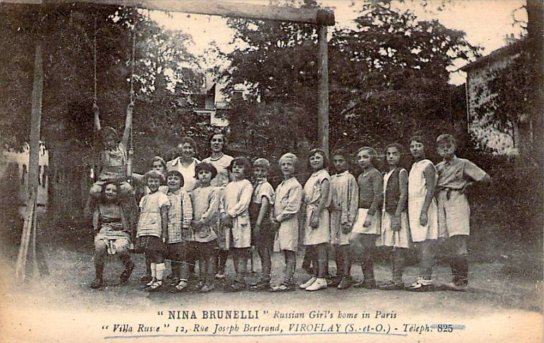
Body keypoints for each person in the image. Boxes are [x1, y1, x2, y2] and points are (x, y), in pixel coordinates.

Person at [435, 134, 490, 291]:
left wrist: (471, 185)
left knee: (459, 239)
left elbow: (486, 178)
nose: (445, 148)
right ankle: (455, 280)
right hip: (441, 201)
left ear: (454, 146)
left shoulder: (463, 163)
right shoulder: (437, 167)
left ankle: (462, 282)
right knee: (447, 241)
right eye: (441, 146)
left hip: (456, 199)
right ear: (438, 150)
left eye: (449, 145)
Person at [405, 136, 441, 292]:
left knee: (426, 243)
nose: (415, 148)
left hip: (424, 206)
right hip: (414, 206)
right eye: (412, 146)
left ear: (425, 147)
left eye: (418, 145)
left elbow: (431, 190)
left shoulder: (428, 165)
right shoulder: (414, 166)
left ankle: (426, 280)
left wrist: (424, 211)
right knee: (419, 244)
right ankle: (422, 278)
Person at [377, 143, 411, 290]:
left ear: (400, 156)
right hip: (387, 212)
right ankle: (394, 279)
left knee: (398, 246)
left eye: (394, 154)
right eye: (388, 154)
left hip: (397, 213)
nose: (391, 157)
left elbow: (403, 194)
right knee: (391, 247)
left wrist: (397, 215)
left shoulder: (401, 172)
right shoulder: (385, 174)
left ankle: (398, 280)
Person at [90, 182, 135, 289]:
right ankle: (98, 277)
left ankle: (129, 265)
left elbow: (129, 192)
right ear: (103, 191)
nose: (110, 192)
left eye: (114, 191)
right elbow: (92, 193)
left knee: (121, 250)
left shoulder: (123, 205)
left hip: (121, 231)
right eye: (108, 189)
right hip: (105, 231)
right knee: (99, 247)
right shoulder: (99, 204)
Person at [349, 147, 383, 289]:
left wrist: (370, 214)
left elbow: (378, 195)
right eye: (360, 158)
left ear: (372, 158)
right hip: (360, 212)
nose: (362, 160)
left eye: (365, 157)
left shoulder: (375, 174)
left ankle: (370, 279)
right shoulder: (361, 175)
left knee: (363, 244)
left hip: (370, 212)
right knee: (357, 243)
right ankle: (367, 278)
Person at [270, 153, 303, 292]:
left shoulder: (295, 185)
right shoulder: (281, 185)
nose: (286, 167)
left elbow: (292, 208)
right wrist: (273, 216)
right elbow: (275, 203)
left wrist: (278, 219)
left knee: (289, 251)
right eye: (283, 164)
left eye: (289, 164)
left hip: (288, 223)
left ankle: (288, 281)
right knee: (283, 250)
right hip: (280, 222)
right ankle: (285, 279)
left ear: (295, 167)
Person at [299, 148, 331, 292]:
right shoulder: (313, 176)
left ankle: (322, 278)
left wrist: (317, 214)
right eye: (312, 158)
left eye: (318, 158)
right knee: (312, 246)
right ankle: (316, 275)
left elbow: (324, 197)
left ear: (324, 160)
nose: (315, 160)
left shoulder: (324, 175)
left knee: (320, 246)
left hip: (319, 211)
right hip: (310, 211)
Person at [220, 157, 254, 292]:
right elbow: (222, 201)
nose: (236, 169)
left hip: (240, 222)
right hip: (228, 221)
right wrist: (223, 213)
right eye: (234, 166)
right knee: (233, 249)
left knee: (241, 250)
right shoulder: (229, 185)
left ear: (246, 169)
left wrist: (230, 214)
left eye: (240, 166)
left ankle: (240, 279)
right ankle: (236, 279)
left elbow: (243, 203)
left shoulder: (246, 184)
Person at [203, 132, 233, 278]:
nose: (216, 143)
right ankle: (212, 268)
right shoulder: (205, 161)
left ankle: (222, 268)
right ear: (210, 143)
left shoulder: (228, 160)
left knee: (223, 235)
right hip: (209, 199)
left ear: (223, 143)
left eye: (219, 141)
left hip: (224, 198)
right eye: (214, 140)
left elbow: (233, 181)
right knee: (211, 233)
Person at [89, 102, 134, 199]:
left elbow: (127, 129)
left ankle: (127, 210)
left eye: (110, 140)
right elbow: (98, 130)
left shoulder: (122, 147)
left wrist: (129, 111)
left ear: (115, 140)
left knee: (129, 190)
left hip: (120, 180)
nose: (108, 143)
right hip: (104, 180)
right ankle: (93, 210)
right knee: (93, 191)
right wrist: (96, 114)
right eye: (105, 141)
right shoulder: (104, 151)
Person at [329, 149, 359, 290]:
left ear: (347, 162)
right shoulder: (332, 178)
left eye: (341, 161)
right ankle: (339, 274)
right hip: (334, 215)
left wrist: (349, 220)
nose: (338, 164)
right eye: (335, 161)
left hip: (345, 215)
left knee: (345, 246)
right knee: (336, 246)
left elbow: (353, 200)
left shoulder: (350, 178)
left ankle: (347, 276)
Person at [136, 170, 170, 292]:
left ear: (160, 182)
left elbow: (164, 215)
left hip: (156, 229)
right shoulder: (144, 198)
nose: (153, 183)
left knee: (157, 254)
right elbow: (141, 215)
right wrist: (138, 232)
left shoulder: (162, 197)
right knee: (149, 254)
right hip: (145, 229)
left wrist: (164, 232)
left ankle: (159, 280)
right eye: (151, 181)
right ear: (146, 182)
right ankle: (153, 278)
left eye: (156, 181)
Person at [190, 162, 221, 292]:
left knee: (210, 256)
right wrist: (192, 221)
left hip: (208, 227)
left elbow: (212, 210)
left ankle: (210, 281)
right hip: (196, 228)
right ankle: (201, 280)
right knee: (201, 256)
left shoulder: (214, 191)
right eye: (201, 173)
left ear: (212, 175)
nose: (203, 175)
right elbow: (190, 207)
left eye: (206, 173)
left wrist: (202, 221)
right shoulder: (194, 192)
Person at [248, 158, 275, 291]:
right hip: (255, 219)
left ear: (267, 172)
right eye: (257, 170)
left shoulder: (266, 186)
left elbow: (264, 204)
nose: (259, 173)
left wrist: (258, 224)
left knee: (264, 250)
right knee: (259, 249)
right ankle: (264, 277)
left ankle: (266, 278)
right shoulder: (256, 185)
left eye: (262, 171)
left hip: (262, 221)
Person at [164, 170, 193, 292]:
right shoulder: (165, 194)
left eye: (176, 178)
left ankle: (183, 280)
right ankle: (175, 276)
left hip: (181, 229)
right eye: (170, 178)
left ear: (181, 182)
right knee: (173, 254)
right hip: (169, 229)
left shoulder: (183, 194)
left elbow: (187, 211)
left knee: (183, 255)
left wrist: (185, 225)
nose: (172, 181)